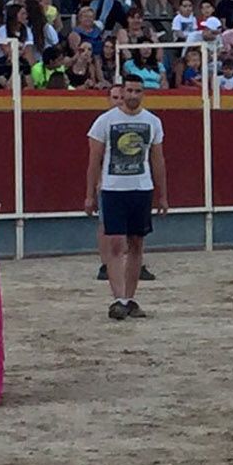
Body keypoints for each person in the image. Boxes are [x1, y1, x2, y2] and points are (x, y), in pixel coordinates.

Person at [84, 81, 168, 320]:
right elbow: (94, 161)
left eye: (137, 91)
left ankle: (129, 298)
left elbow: (158, 160)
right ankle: (119, 297)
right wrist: (90, 194)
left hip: (141, 188)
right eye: (129, 91)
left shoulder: (153, 122)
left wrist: (162, 195)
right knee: (115, 245)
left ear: (143, 93)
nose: (132, 95)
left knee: (136, 244)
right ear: (122, 94)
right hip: (113, 189)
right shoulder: (104, 121)